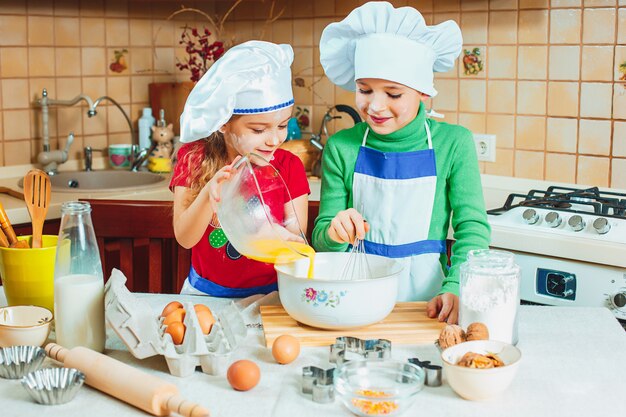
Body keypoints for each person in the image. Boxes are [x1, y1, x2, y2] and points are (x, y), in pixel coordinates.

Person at [312, 2, 491, 323]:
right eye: (364, 90)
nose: (376, 106)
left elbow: (473, 229)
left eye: (393, 94)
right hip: (355, 301)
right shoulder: (341, 147)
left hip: (429, 306)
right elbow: (323, 239)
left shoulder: (454, 143)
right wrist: (335, 234)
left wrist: (457, 286)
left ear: (423, 93)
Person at [171, 41, 310, 297]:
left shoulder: (289, 167)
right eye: (258, 130)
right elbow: (185, 238)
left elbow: (296, 241)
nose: (274, 140)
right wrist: (208, 194)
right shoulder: (194, 159)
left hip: (272, 297)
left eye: (282, 126)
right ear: (223, 123)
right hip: (204, 296)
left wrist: (275, 236)